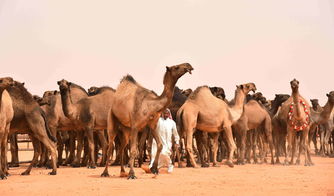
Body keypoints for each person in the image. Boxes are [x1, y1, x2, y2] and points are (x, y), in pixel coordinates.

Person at [143, 108, 180, 173]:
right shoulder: (158, 121)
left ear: (169, 114)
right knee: (154, 155)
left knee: (164, 153)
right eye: (164, 113)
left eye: (167, 113)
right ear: (162, 114)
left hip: (167, 143)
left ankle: (169, 165)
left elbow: (175, 134)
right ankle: (152, 167)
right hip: (157, 142)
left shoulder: (172, 123)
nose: (166, 115)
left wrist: (177, 142)